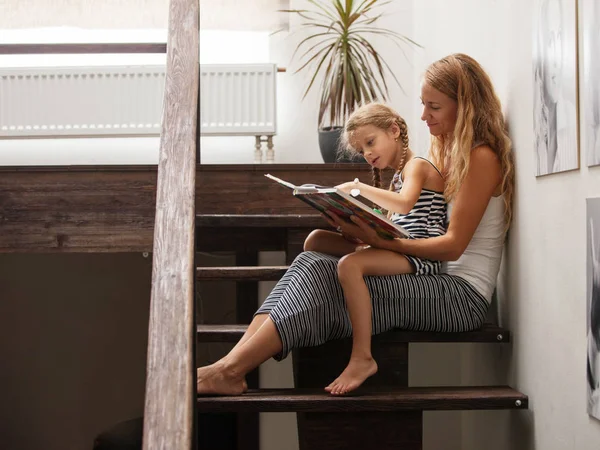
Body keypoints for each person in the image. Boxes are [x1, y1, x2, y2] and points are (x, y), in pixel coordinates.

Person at [196, 53, 515, 398]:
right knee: (311, 261)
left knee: (329, 279)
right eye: (423, 105)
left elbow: (452, 246)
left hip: (459, 297)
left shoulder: (482, 157)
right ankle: (230, 366)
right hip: (435, 279)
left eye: (434, 107)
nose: (423, 116)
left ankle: (232, 369)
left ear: (464, 105)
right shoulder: (447, 154)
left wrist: (379, 242)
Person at [303, 102, 446, 394]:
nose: (367, 154)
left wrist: (358, 188)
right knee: (315, 240)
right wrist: (352, 226)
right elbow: (393, 223)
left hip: (418, 254)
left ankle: (362, 357)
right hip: (396, 246)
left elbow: (405, 204)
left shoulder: (418, 165)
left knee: (350, 264)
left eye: (370, 143)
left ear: (393, 131)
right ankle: (307, 296)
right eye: (362, 150)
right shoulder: (396, 177)